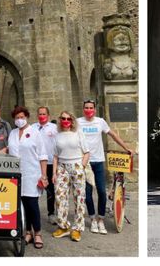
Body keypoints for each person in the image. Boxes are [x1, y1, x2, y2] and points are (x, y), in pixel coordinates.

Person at [78, 100, 134, 234]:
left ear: (95, 109)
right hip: (85, 162)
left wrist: (126, 148)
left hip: (98, 161)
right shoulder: (78, 122)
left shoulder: (100, 122)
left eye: (91, 108)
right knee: (88, 193)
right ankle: (92, 219)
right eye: (86, 107)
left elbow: (113, 135)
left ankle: (101, 219)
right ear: (83, 109)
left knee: (102, 192)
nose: (89, 110)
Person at [7, 106, 48, 249]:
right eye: (17, 117)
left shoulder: (35, 133)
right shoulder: (12, 133)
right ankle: (28, 232)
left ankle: (38, 233)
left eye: (22, 117)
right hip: (16, 174)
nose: (19, 120)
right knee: (21, 204)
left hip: (32, 174)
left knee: (32, 204)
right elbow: (9, 150)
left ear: (27, 117)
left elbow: (43, 156)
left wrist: (44, 175)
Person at [52, 110, 90, 242]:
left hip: (77, 165)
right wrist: (54, 173)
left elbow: (86, 152)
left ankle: (77, 228)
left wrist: (82, 167)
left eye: (68, 119)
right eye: (63, 118)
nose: (66, 121)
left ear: (72, 121)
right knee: (60, 196)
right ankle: (63, 226)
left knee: (79, 197)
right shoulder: (57, 135)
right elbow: (55, 156)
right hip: (62, 167)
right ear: (60, 120)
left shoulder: (78, 133)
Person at [32, 106, 58, 224]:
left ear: (48, 115)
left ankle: (51, 213)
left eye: (44, 114)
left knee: (50, 189)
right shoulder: (32, 128)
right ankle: (32, 212)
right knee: (34, 188)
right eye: (40, 114)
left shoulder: (54, 128)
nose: (42, 116)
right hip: (36, 163)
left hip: (50, 162)